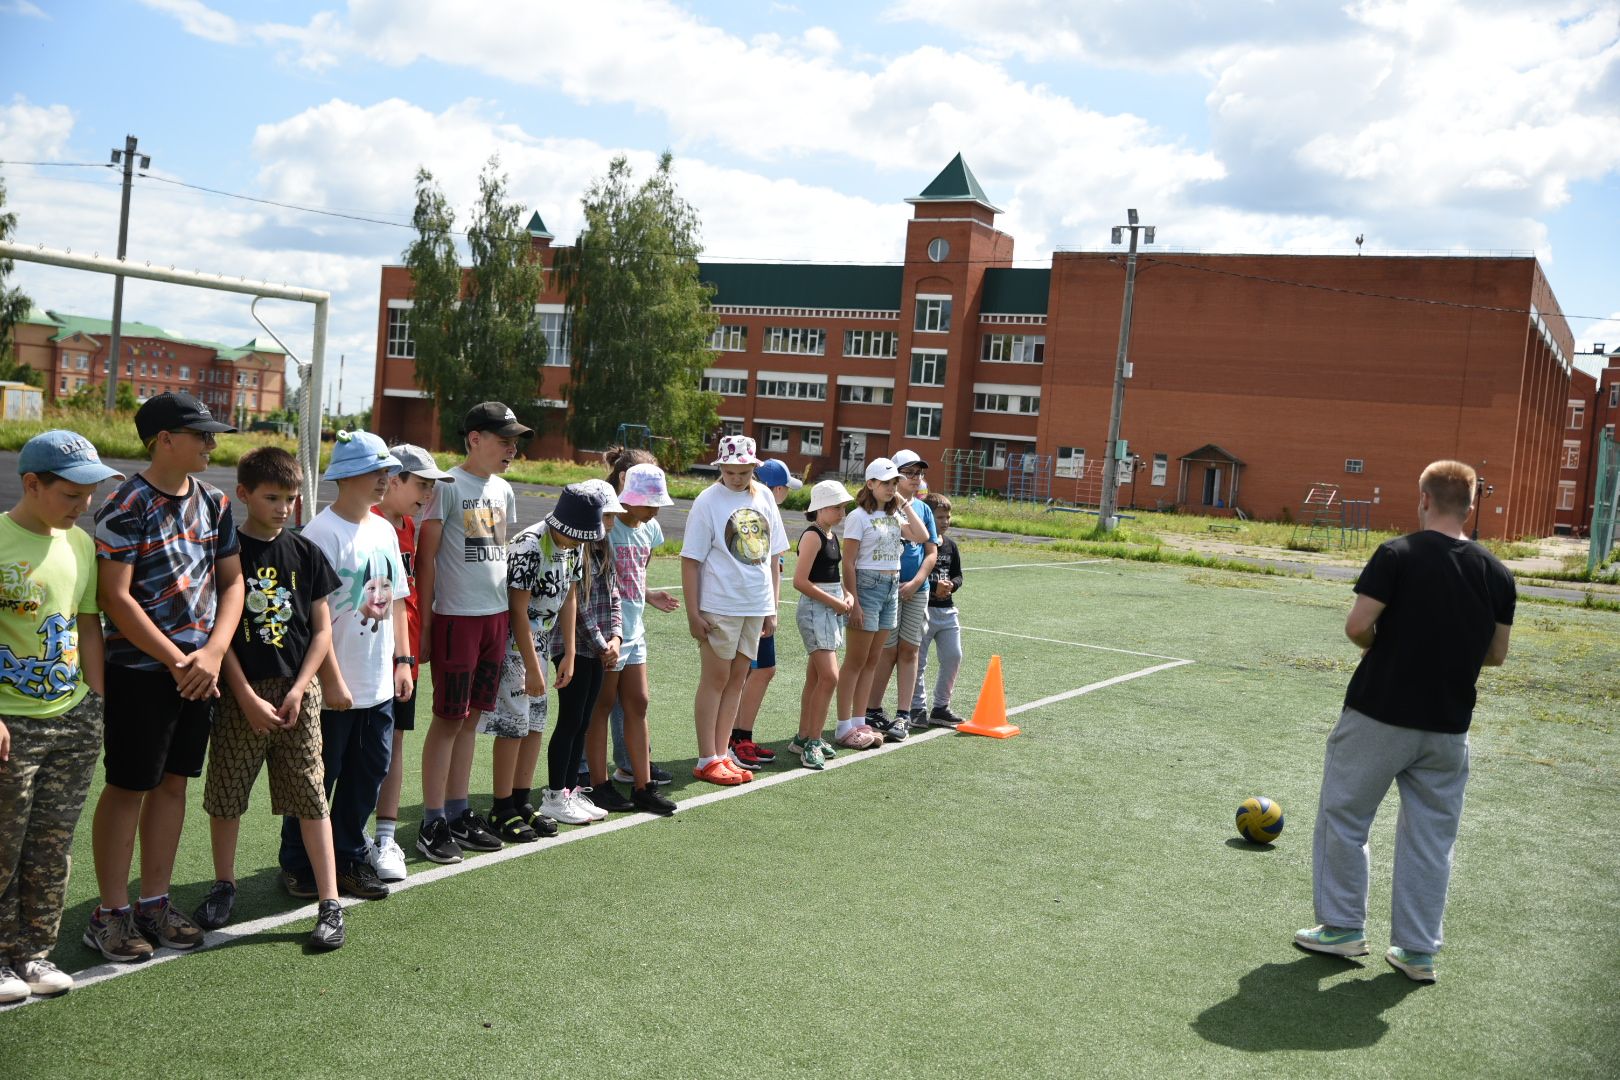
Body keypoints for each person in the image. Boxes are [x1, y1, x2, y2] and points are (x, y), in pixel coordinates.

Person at [1294, 460, 1514, 984]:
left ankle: (1343, 927)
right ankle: (1417, 952)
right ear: (1471, 504)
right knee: (1431, 838)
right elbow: (1497, 655)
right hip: (1447, 728)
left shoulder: (1397, 554)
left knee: (1344, 816)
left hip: (1381, 712)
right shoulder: (1497, 573)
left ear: (1423, 499)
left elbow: (1357, 626)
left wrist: (1385, 646)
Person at [86, 392, 244, 963]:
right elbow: (116, 598)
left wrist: (212, 652)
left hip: (200, 673)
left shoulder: (216, 502)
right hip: (142, 673)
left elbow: (232, 585)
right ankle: (109, 913)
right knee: (129, 787)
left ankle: (153, 900)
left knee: (174, 785)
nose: (211, 443)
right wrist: (179, 661)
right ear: (163, 440)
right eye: (200, 434)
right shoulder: (124, 503)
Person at [192, 447, 346, 949]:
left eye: (291, 498)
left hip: (299, 695)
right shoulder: (228, 553)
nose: (283, 507)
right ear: (244, 495)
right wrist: (243, 696)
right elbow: (222, 635)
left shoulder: (305, 552)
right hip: (242, 696)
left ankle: (329, 903)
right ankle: (224, 885)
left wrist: (302, 688)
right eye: (272, 497)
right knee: (228, 795)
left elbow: (321, 631)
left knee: (311, 796)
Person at [0, 433, 121, 999]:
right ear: (32, 484)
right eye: (73, 494)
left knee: (52, 841)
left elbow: (87, 624)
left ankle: (34, 954)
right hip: (9, 723)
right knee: (5, 841)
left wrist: (94, 703)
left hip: (72, 718)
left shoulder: (80, 545)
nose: (84, 506)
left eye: (90, 494)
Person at [282, 432, 411, 904]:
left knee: (369, 770)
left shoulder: (384, 530)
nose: (386, 480)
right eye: (378, 471)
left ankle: (349, 855)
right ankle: (297, 862)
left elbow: (397, 600)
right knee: (318, 777)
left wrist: (403, 661)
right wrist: (331, 680)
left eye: (388, 472)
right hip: (333, 686)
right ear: (349, 475)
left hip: (377, 682)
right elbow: (311, 621)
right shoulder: (320, 534)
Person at [416, 403, 527, 864]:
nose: (512, 449)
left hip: (494, 617)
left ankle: (459, 812)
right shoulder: (445, 487)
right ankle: (432, 820)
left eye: (515, 441)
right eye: (504, 440)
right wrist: (423, 627)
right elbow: (426, 560)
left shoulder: (502, 489)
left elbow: (496, 553)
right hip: (456, 617)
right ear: (474, 438)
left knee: (472, 719)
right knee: (447, 719)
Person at [366, 444, 453, 883]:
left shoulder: (406, 524)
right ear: (393, 479)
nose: (428, 494)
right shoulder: (367, 522)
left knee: (394, 744)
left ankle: (384, 836)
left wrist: (416, 645)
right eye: (422, 484)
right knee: (354, 751)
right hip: (365, 658)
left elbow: (409, 595)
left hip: (404, 658)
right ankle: (350, 836)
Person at [681, 435, 788, 786]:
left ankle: (722, 752)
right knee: (715, 680)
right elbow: (690, 560)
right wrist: (693, 613)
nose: (736, 477)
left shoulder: (765, 496)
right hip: (719, 605)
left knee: (737, 681)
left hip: (754, 605)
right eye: (729, 471)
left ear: (754, 467)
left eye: (743, 471)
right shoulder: (707, 500)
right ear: (720, 467)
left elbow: (773, 558)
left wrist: (772, 607)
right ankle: (706, 757)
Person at [492, 485, 601, 827]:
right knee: (514, 724)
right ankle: (502, 805)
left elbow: (570, 596)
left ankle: (522, 800)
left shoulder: (575, 545)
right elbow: (517, 609)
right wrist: (529, 666)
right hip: (514, 646)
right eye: (572, 536)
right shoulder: (529, 545)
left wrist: (568, 652)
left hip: (543, 643)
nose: (575, 542)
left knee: (536, 723)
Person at [584, 459, 680, 815]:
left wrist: (648, 595)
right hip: (610, 630)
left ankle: (643, 786)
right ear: (629, 498)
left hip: (635, 629)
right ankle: (599, 784)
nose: (655, 509)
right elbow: (594, 581)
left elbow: (639, 572)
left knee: (638, 702)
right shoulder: (606, 529)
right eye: (649, 502)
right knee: (603, 705)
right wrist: (606, 633)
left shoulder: (649, 529)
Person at [837, 458, 928, 748]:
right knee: (856, 661)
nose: (891, 487)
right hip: (867, 587)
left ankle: (860, 721)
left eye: (893, 482)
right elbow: (848, 563)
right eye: (886, 483)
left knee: (873, 661)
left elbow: (922, 535)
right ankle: (843, 725)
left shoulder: (895, 515)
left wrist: (904, 503)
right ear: (870, 484)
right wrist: (854, 601)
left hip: (891, 589)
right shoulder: (857, 517)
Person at [545, 484, 622, 819]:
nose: (610, 522)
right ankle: (554, 794)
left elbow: (614, 592)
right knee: (571, 719)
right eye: (606, 515)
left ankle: (570, 790)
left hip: (600, 646)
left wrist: (616, 636)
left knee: (584, 720)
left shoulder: (604, 545)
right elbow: (577, 605)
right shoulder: (576, 548)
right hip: (573, 646)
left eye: (612, 516)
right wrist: (602, 643)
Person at [725, 458, 800, 770]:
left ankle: (740, 735)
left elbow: (775, 569)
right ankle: (733, 739)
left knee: (760, 670)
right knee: (747, 672)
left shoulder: (766, 512)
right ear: (777, 488)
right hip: (746, 605)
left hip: (760, 605)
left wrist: (773, 608)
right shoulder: (752, 514)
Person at [788, 479, 868, 770]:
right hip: (815, 611)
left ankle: (804, 736)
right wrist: (835, 602)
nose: (842, 512)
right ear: (820, 508)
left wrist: (845, 594)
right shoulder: (813, 536)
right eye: (837, 507)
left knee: (816, 678)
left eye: (843, 507)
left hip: (829, 609)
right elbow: (800, 581)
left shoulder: (831, 534)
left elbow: (834, 574)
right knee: (830, 677)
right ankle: (812, 742)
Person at [864, 448, 938, 739]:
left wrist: (918, 581)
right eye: (909, 473)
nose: (915, 478)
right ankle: (872, 708)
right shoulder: (883, 505)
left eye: (919, 473)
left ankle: (903, 714)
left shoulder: (923, 508)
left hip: (916, 589)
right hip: (886, 587)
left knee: (910, 649)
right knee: (886, 650)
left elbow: (930, 550)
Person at [910, 491, 966, 726]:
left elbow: (958, 575)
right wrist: (933, 585)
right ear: (928, 519)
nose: (945, 521)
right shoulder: (921, 545)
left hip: (947, 612)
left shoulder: (951, 546)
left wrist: (951, 585)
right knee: (918, 662)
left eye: (947, 516)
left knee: (954, 656)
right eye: (939, 517)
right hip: (924, 609)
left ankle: (941, 707)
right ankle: (916, 708)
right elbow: (915, 574)